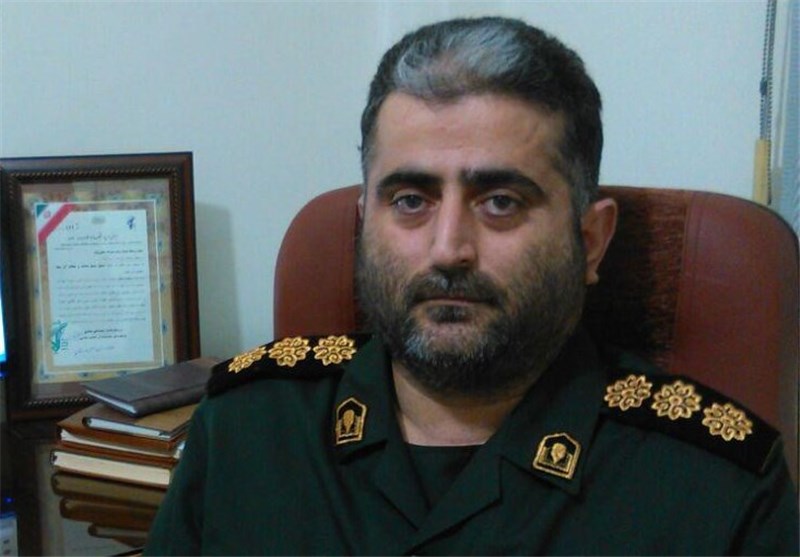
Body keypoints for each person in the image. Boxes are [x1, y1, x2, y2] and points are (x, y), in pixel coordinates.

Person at [144, 16, 799, 554]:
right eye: (410, 200)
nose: (448, 248)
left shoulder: (716, 488)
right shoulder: (246, 427)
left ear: (591, 241)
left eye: (501, 202)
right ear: (366, 223)